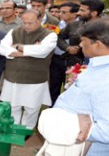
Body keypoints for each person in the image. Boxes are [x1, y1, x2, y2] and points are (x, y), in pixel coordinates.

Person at [37, 18, 109, 156]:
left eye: (83, 41)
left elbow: (106, 130)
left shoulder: (106, 78)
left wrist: (68, 128)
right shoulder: (97, 65)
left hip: (86, 149)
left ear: (98, 44)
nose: (80, 45)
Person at [0, 10, 57, 129]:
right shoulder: (14, 31)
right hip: (13, 76)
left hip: (35, 78)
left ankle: (27, 129)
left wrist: (18, 47)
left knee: (32, 107)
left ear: (39, 20)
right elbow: (2, 49)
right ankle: (14, 126)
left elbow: (42, 51)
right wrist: (29, 52)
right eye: (24, 22)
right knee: (13, 105)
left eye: (30, 23)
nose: (26, 26)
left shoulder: (50, 34)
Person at [49, 2, 80, 106]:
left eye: (63, 12)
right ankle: (53, 107)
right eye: (60, 11)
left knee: (70, 87)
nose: (60, 14)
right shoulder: (57, 24)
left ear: (75, 14)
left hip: (74, 61)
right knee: (54, 86)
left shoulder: (83, 25)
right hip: (56, 59)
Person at [58, 0, 104, 67]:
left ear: (94, 13)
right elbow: (59, 37)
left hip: (97, 67)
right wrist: (67, 48)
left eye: (82, 10)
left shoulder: (105, 27)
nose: (78, 13)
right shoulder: (73, 25)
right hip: (73, 66)